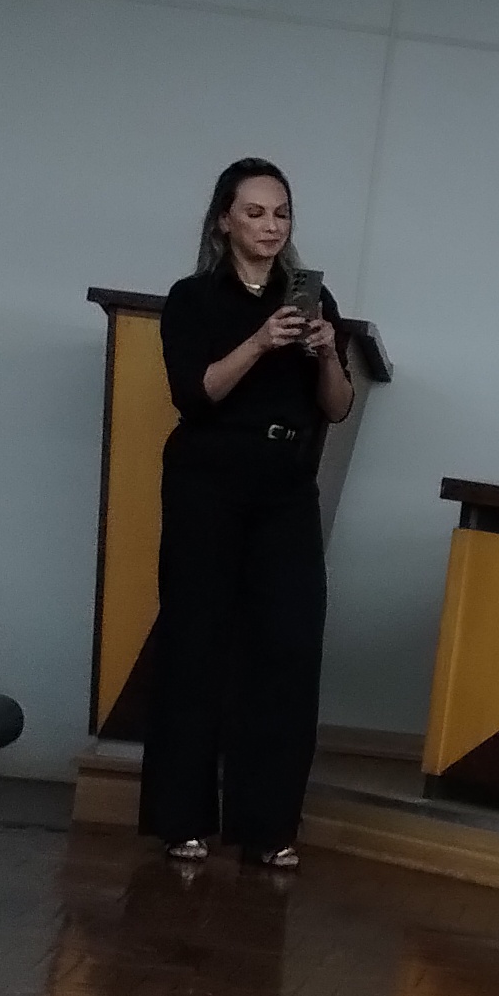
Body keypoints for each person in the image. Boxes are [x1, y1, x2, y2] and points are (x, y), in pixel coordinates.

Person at [144, 158, 353, 869]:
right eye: (256, 212)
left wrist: (326, 354)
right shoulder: (193, 298)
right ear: (223, 221)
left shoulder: (313, 298)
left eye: (282, 213)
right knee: (196, 642)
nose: (271, 226)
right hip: (209, 481)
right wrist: (262, 341)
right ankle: (182, 820)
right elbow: (195, 393)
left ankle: (269, 827)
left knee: (289, 647)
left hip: (287, 484)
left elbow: (337, 407)